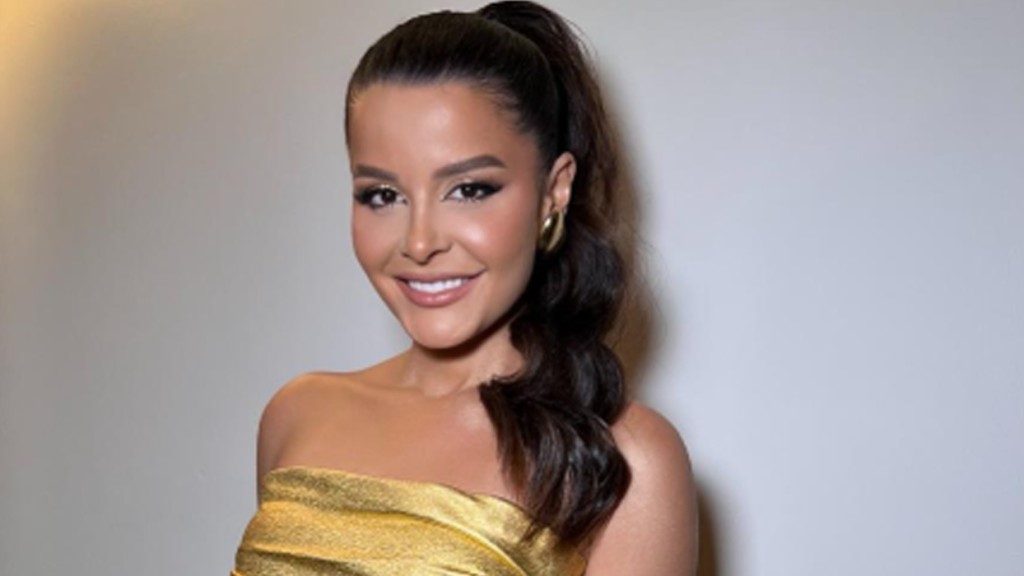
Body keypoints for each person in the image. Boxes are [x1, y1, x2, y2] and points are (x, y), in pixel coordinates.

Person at [232, 2, 696, 574]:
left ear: (554, 190)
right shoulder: (297, 414)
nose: (419, 242)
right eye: (382, 195)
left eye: (469, 189)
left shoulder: (628, 458)